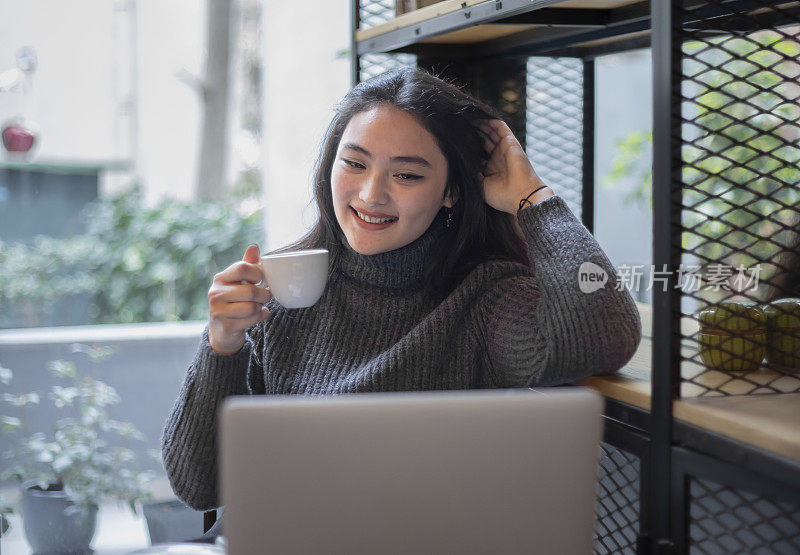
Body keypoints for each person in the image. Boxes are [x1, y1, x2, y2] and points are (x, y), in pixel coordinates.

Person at [162, 68, 642, 513]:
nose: (371, 194)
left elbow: (602, 336)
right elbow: (199, 487)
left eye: (407, 174)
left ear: (451, 191)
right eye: (354, 163)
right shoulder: (283, 292)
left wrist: (532, 198)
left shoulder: (485, 298)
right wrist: (221, 345)